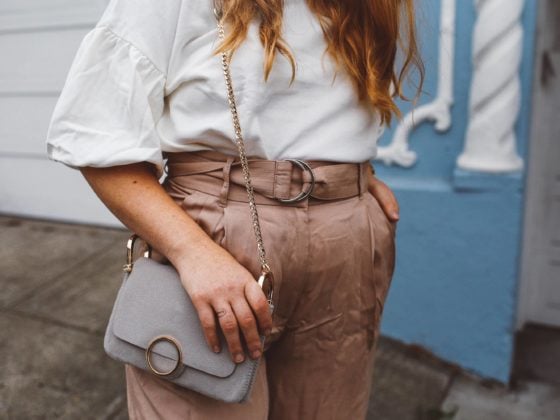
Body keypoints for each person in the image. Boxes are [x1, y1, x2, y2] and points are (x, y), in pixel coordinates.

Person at [45, 0, 424, 418]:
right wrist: (193, 253)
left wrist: (341, 169)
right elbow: (96, 134)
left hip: (345, 235)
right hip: (216, 237)